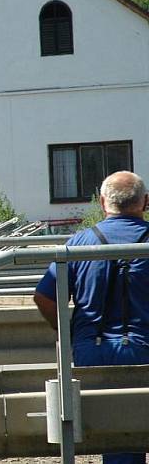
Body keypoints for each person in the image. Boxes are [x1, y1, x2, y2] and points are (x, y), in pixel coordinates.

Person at [34, 170, 149, 464]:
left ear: (101, 202)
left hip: (93, 351)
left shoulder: (80, 243)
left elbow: (43, 296)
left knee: (119, 439)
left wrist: (66, 333)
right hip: (145, 347)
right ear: (145, 202)